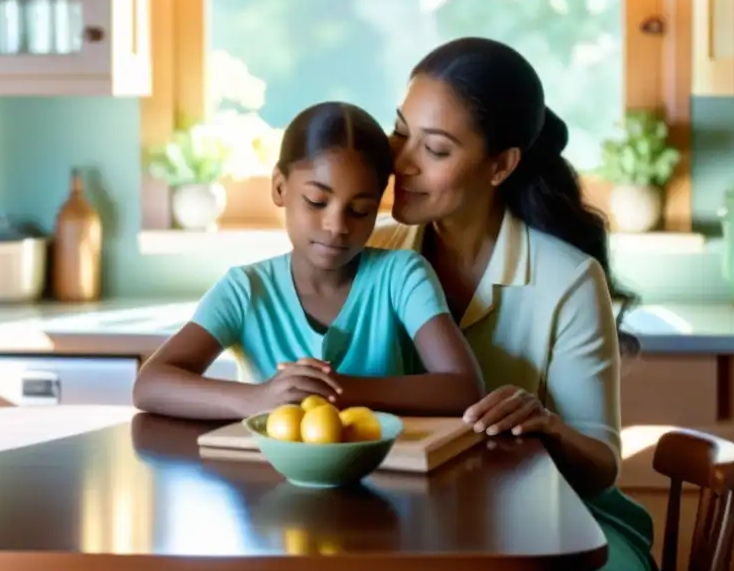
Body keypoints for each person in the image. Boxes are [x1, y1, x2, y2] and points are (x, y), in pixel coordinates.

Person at [369, 37, 656, 571]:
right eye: (400, 130)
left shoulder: (567, 279)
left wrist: (546, 423)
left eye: (436, 149)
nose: (401, 161)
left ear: (500, 165)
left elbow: (601, 468)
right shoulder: (371, 256)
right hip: (405, 513)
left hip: (562, 519)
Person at [132, 102, 484, 420]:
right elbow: (150, 385)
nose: (336, 226)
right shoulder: (246, 290)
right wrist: (257, 398)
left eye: (361, 210)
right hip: (268, 483)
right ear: (280, 188)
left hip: (390, 480)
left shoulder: (403, 276)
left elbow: (463, 388)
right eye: (317, 202)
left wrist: (336, 390)